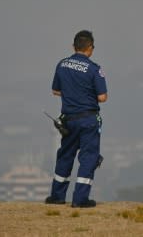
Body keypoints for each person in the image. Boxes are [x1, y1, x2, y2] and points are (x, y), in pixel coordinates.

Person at [45, 30, 108, 208]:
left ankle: (57, 197)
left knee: (65, 155)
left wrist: (73, 94)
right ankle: (80, 200)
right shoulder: (94, 69)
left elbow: (56, 91)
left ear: (73, 47)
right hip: (88, 119)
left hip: (69, 120)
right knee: (88, 157)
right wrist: (85, 96)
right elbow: (103, 97)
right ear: (90, 48)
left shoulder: (62, 64)